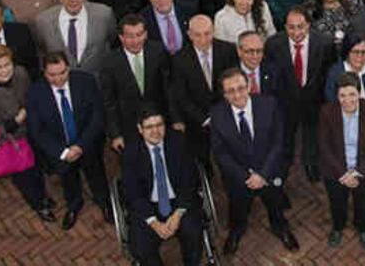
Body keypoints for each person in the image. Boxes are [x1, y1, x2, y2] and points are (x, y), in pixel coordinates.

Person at [208, 69, 299, 254]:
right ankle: (236, 232)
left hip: (269, 173)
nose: (237, 95)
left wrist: (263, 174)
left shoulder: (269, 104)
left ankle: (281, 228)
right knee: (238, 209)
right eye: (230, 91)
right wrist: (246, 177)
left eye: (241, 88)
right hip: (238, 178)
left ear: (249, 86)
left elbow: (278, 142)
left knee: (275, 205)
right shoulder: (217, 115)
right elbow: (220, 153)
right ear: (224, 94)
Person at [24, 51, 110, 231]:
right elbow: (37, 130)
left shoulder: (86, 81)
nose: (58, 79)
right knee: (68, 179)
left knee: (96, 174)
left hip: (87, 144)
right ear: (44, 72)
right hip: (60, 150)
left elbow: (97, 116)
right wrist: (63, 152)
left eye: (62, 73)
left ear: (68, 68)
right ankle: (74, 205)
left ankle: (104, 202)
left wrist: (80, 146)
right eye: (52, 75)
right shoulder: (34, 93)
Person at [0, 44, 54, 221]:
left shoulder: (21, 73)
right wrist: (17, 120)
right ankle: (39, 205)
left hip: (35, 133)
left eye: (7, 65)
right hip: (16, 143)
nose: (5, 70)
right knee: (25, 178)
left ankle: (43, 197)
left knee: (38, 170)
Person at [121, 108, 205, 266]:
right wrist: (154, 222)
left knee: (194, 234)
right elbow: (132, 192)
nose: (155, 131)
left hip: (179, 202)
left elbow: (190, 180)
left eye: (159, 125)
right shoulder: (130, 151)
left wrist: (178, 214)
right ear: (140, 129)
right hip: (148, 205)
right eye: (149, 127)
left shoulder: (179, 141)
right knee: (141, 248)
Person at [264, 7, 335, 183]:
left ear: (308, 25)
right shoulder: (273, 45)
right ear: (285, 27)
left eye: (300, 27)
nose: (296, 32)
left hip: (314, 101)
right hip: (285, 102)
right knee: (285, 138)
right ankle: (284, 167)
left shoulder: (325, 43)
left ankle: (311, 164)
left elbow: (329, 73)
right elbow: (270, 76)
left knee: (312, 136)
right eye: (291, 27)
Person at [317, 72, 365, 250]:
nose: (347, 100)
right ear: (336, 95)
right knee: (336, 202)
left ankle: (362, 228)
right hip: (336, 170)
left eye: (352, 94)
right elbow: (324, 146)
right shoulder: (327, 112)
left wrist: (358, 172)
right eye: (342, 95)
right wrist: (343, 173)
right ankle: (337, 227)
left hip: (364, 169)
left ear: (359, 93)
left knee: (363, 202)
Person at [167, 15, 239, 165]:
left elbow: (234, 84)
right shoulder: (179, 59)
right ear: (189, 35)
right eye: (197, 35)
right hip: (197, 122)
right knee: (203, 161)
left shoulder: (228, 50)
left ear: (213, 31)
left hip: (227, 116)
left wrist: (221, 115)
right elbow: (182, 96)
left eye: (207, 34)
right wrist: (205, 119)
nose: (203, 39)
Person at [99, 16, 171, 152]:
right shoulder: (109, 62)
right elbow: (109, 102)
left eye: (139, 35)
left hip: (158, 124)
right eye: (130, 36)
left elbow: (168, 89)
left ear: (146, 34)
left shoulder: (158, 51)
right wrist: (116, 134)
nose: (135, 40)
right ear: (121, 37)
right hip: (128, 127)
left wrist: (175, 120)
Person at [32, 0, 117, 76]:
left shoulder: (104, 14)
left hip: (98, 80)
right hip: (61, 81)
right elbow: (41, 49)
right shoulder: (43, 21)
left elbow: (112, 39)